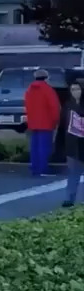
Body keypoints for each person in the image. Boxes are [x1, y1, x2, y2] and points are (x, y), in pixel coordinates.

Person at [23, 68, 61, 177]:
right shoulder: (48, 89)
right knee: (44, 146)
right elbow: (54, 107)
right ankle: (43, 168)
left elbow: (27, 106)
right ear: (46, 77)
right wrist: (56, 120)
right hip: (46, 122)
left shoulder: (29, 90)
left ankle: (35, 167)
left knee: (34, 146)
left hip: (33, 122)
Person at [64, 80, 84, 208]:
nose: (75, 92)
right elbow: (63, 125)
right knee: (73, 175)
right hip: (72, 146)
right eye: (72, 90)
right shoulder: (68, 105)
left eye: (77, 89)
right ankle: (69, 199)